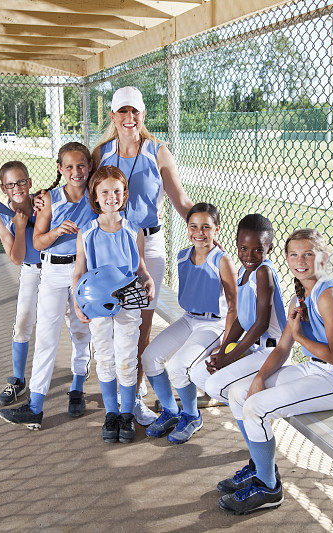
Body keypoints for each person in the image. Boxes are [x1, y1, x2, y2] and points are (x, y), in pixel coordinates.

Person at [218, 228, 333, 514]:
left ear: (322, 258)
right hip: (315, 369)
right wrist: (260, 377)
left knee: (257, 407)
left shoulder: (328, 296)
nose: (301, 260)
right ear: (285, 257)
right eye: (295, 254)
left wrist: (300, 337)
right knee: (240, 393)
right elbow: (283, 348)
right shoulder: (299, 295)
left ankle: (268, 487)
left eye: (309, 254)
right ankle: (259, 467)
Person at [92, 86, 194, 426]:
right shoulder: (102, 153)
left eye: (135, 112)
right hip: (111, 242)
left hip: (148, 244)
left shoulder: (157, 151)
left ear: (143, 115)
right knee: (109, 321)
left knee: (141, 324)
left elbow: (179, 198)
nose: (129, 118)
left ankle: (133, 396)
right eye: (122, 111)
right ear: (112, 116)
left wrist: (203, 227)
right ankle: (116, 393)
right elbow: (86, 195)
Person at [0, 142, 96, 430]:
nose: (76, 171)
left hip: (83, 270)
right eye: (69, 166)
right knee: (46, 337)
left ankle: (77, 387)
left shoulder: (96, 196)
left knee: (80, 331)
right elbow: (38, 241)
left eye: (81, 165)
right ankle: (35, 406)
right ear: (60, 169)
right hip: (52, 270)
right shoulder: (49, 199)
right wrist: (57, 230)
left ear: (90, 166)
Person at [141, 203, 237, 444]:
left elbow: (234, 307)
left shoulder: (222, 260)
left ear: (216, 229)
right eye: (193, 226)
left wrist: (226, 344)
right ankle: (171, 411)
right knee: (149, 357)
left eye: (206, 227)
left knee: (178, 366)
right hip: (189, 319)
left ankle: (192, 416)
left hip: (214, 325)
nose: (199, 232)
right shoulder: (183, 255)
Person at [73, 166, 155, 443]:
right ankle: (111, 413)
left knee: (126, 357)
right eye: (105, 191)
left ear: (124, 195)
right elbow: (79, 272)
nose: (111, 197)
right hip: (97, 305)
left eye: (117, 191)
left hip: (128, 301)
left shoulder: (134, 230)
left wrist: (148, 280)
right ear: (95, 196)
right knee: (105, 356)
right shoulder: (86, 233)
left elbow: (141, 267)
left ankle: (127, 414)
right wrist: (77, 302)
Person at [187, 214, 287, 405]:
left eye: (258, 249)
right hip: (253, 347)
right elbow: (241, 319)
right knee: (199, 374)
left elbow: (261, 323)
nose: (249, 256)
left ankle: (257, 411)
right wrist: (223, 351)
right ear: (237, 244)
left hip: (271, 351)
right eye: (243, 248)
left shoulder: (263, 272)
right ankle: (249, 407)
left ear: (270, 248)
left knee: (217, 387)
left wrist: (229, 357)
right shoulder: (243, 271)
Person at [0, 161, 42, 407]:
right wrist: (20, 228)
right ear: (4, 188)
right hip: (30, 271)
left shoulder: (43, 203)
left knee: (73, 322)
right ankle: (18, 379)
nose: (17, 187)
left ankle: (78, 376)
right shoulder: (1, 217)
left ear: (29, 182)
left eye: (21, 182)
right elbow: (16, 258)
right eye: (11, 184)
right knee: (22, 321)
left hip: (57, 268)